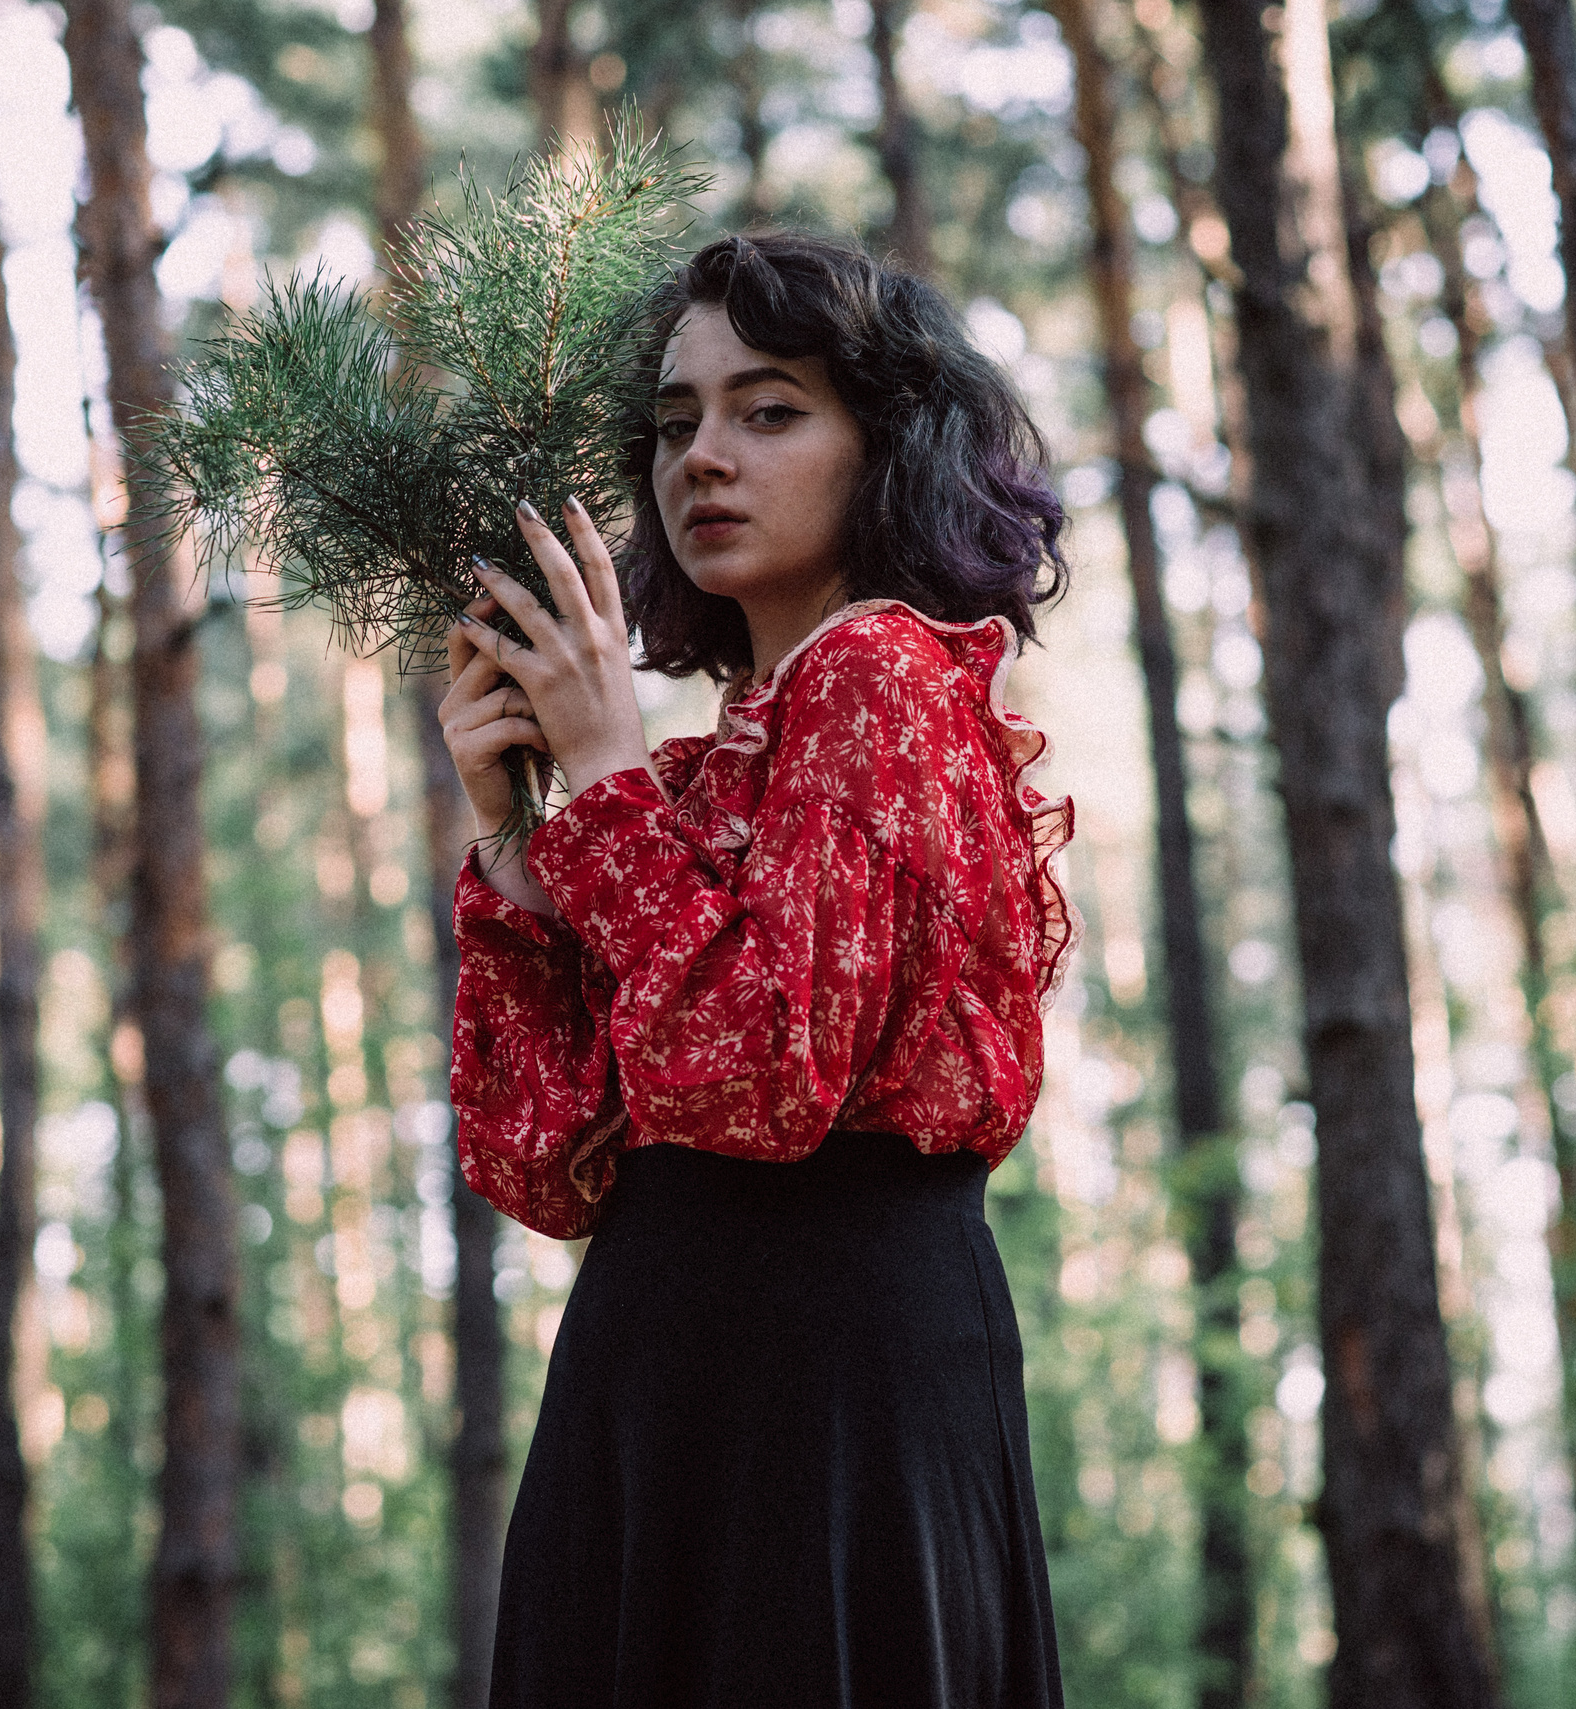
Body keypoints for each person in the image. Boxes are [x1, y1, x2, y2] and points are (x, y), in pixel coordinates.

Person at [437, 231, 1075, 1708]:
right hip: (661, 1379)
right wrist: (520, 842)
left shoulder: (886, 674)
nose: (701, 459)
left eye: (769, 409)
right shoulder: (707, 765)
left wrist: (600, 779)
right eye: (676, 423)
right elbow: (550, 1166)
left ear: (888, 441)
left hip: (828, 1383)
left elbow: (760, 1082)